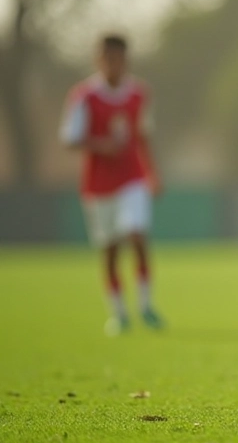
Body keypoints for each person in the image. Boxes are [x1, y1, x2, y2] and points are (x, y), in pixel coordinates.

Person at [60, 34, 164, 336]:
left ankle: (146, 305)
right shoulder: (84, 96)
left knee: (137, 234)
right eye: (107, 59)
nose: (112, 65)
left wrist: (152, 174)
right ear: (98, 60)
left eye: (117, 58)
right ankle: (118, 313)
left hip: (132, 178)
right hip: (98, 184)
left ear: (126, 60)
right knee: (109, 249)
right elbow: (69, 138)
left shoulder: (139, 94)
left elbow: (144, 136)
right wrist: (101, 145)